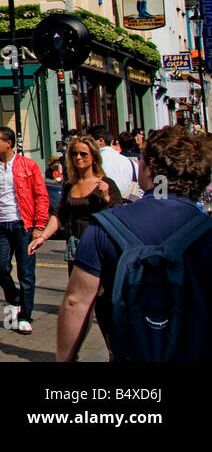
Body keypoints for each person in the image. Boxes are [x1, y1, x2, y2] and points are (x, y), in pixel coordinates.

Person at [57, 125, 212, 362]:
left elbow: (75, 302)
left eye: (142, 160)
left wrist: (66, 359)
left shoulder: (104, 227)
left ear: (150, 170)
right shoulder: (205, 229)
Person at [0, 126, 49, 334]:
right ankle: (13, 298)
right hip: (0, 225)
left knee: (26, 273)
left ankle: (25, 316)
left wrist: (39, 226)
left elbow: (41, 196)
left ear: (9, 143)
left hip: (23, 225)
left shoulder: (28, 166)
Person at [29, 135, 120, 271]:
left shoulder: (106, 184)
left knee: (99, 290)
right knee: (77, 289)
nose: (78, 157)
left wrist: (106, 197)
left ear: (94, 157)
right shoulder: (70, 184)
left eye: (83, 154)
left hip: (99, 245)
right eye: (74, 153)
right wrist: (43, 237)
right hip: (75, 244)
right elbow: (60, 214)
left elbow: (117, 214)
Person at [91, 124, 137, 197]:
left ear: (100, 141)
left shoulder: (95, 162)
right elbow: (141, 187)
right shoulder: (130, 162)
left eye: (90, 142)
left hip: (106, 205)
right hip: (130, 204)